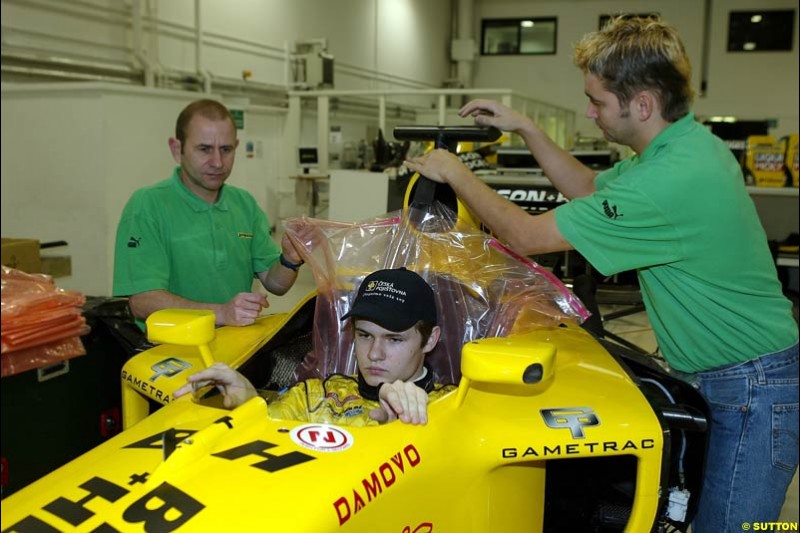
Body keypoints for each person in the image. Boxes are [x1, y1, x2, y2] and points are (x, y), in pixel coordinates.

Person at [404, 15, 798, 533]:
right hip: (726, 375)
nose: (590, 112)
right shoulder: (679, 146)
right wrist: (526, 128)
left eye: (598, 102)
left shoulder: (668, 180)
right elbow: (588, 186)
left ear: (642, 104)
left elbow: (526, 236)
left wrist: (455, 173)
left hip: (749, 386)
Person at [113, 99, 308, 329]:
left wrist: (290, 259)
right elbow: (142, 301)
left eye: (226, 150)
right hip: (169, 354)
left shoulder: (244, 204)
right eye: (204, 149)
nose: (217, 162)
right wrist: (220, 313)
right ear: (177, 149)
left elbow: (275, 284)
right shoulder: (148, 206)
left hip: (234, 348)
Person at [174, 267, 455, 426]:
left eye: (394, 339)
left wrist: (408, 429)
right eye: (364, 335)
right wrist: (248, 402)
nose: (374, 354)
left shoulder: (452, 408)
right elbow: (269, 431)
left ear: (430, 339)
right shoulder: (319, 396)